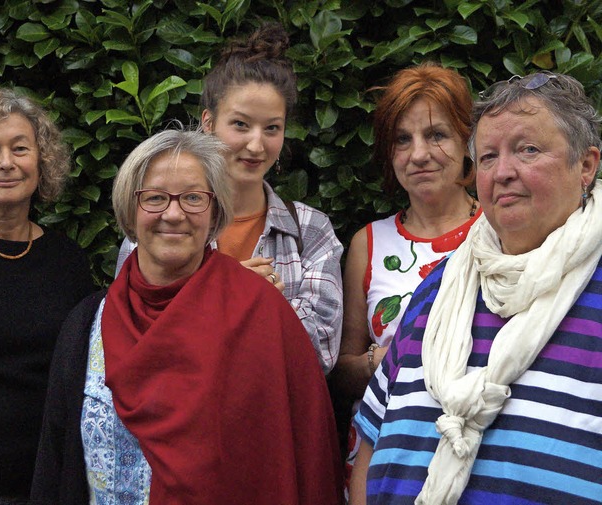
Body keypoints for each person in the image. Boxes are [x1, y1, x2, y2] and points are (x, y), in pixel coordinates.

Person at [31, 129, 343, 505]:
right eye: (155, 198)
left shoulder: (261, 313)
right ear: (130, 211)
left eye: (194, 198)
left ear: (214, 214)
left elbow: (306, 451)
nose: (174, 213)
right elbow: (56, 459)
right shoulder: (87, 324)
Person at [350, 71, 602, 505]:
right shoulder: (438, 287)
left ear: (586, 165)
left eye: (528, 150)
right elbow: (371, 438)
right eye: (488, 157)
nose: (503, 172)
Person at [116, 23, 344, 374]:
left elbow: (319, 356)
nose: (256, 145)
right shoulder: (160, 223)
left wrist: (245, 302)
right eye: (240, 124)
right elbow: (131, 343)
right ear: (208, 122)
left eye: (272, 128)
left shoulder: (310, 231)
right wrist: (230, 291)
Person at [332, 63, 482, 492]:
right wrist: (372, 365)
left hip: (476, 453)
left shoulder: (500, 229)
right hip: (382, 462)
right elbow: (342, 373)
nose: (419, 153)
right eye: (403, 139)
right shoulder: (369, 242)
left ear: (467, 142)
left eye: (437, 135)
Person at [0, 89, 94, 503]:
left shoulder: (67, 260)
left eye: (20, 148)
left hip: (50, 482)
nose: (6, 163)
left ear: (42, 162)